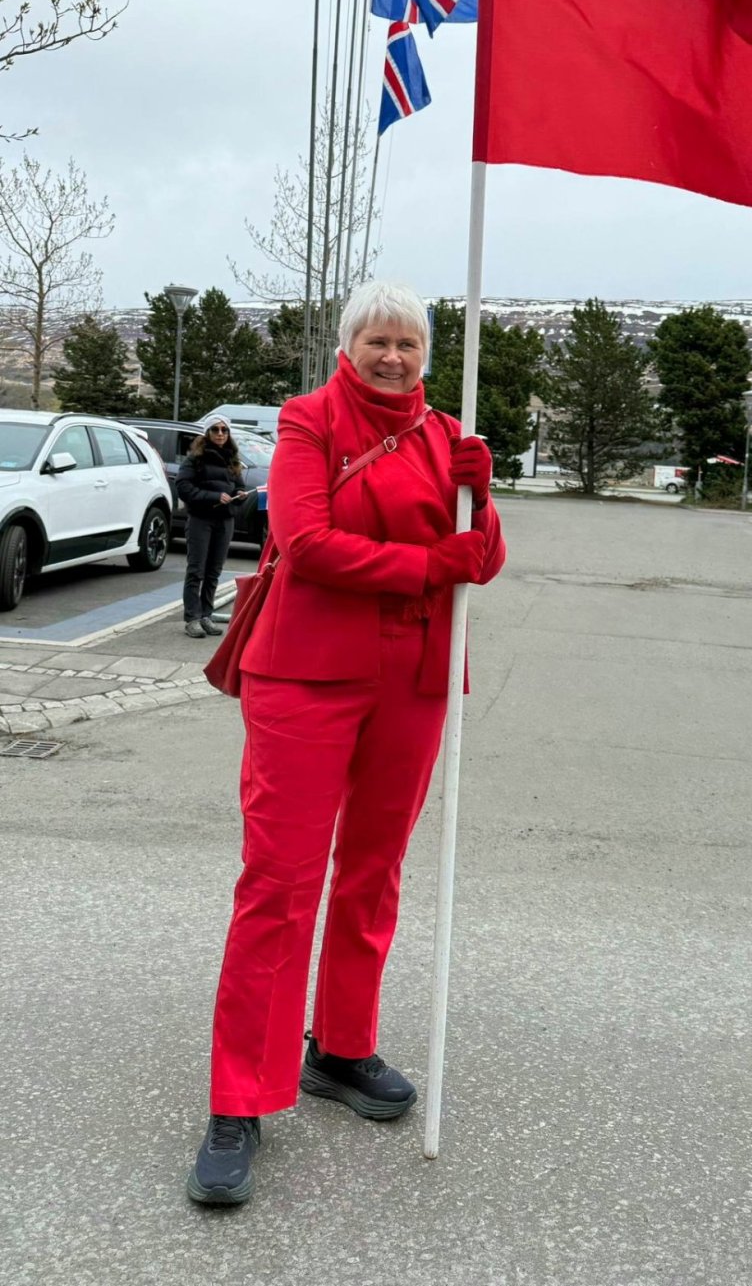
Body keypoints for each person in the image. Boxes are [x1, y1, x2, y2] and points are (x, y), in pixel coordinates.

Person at [187, 280, 506, 1206]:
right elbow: (307, 540)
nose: (393, 356)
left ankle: (342, 1045)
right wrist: (429, 562)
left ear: (426, 354)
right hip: (307, 674)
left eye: (409, 343)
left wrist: (480, 498)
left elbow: (483, 559)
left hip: (415, 678)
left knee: (374, 869)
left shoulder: (448, 435)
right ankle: (239, 1095)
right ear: (348, 343)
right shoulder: (307, 421)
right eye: (378, 339)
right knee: (279, 881)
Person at [176, 417, 247, 639]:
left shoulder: (231, 459)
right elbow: (183, 486)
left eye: (224, 430)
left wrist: (239, 496)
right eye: (215, 429)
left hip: (224, 520)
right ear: (207, 433)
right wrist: (213, 496)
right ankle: (192, 618)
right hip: (201, 519)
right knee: (196, 570)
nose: (220, 433)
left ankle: (206, 614)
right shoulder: (195, 458)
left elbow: (239, 486)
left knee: (214, 571)